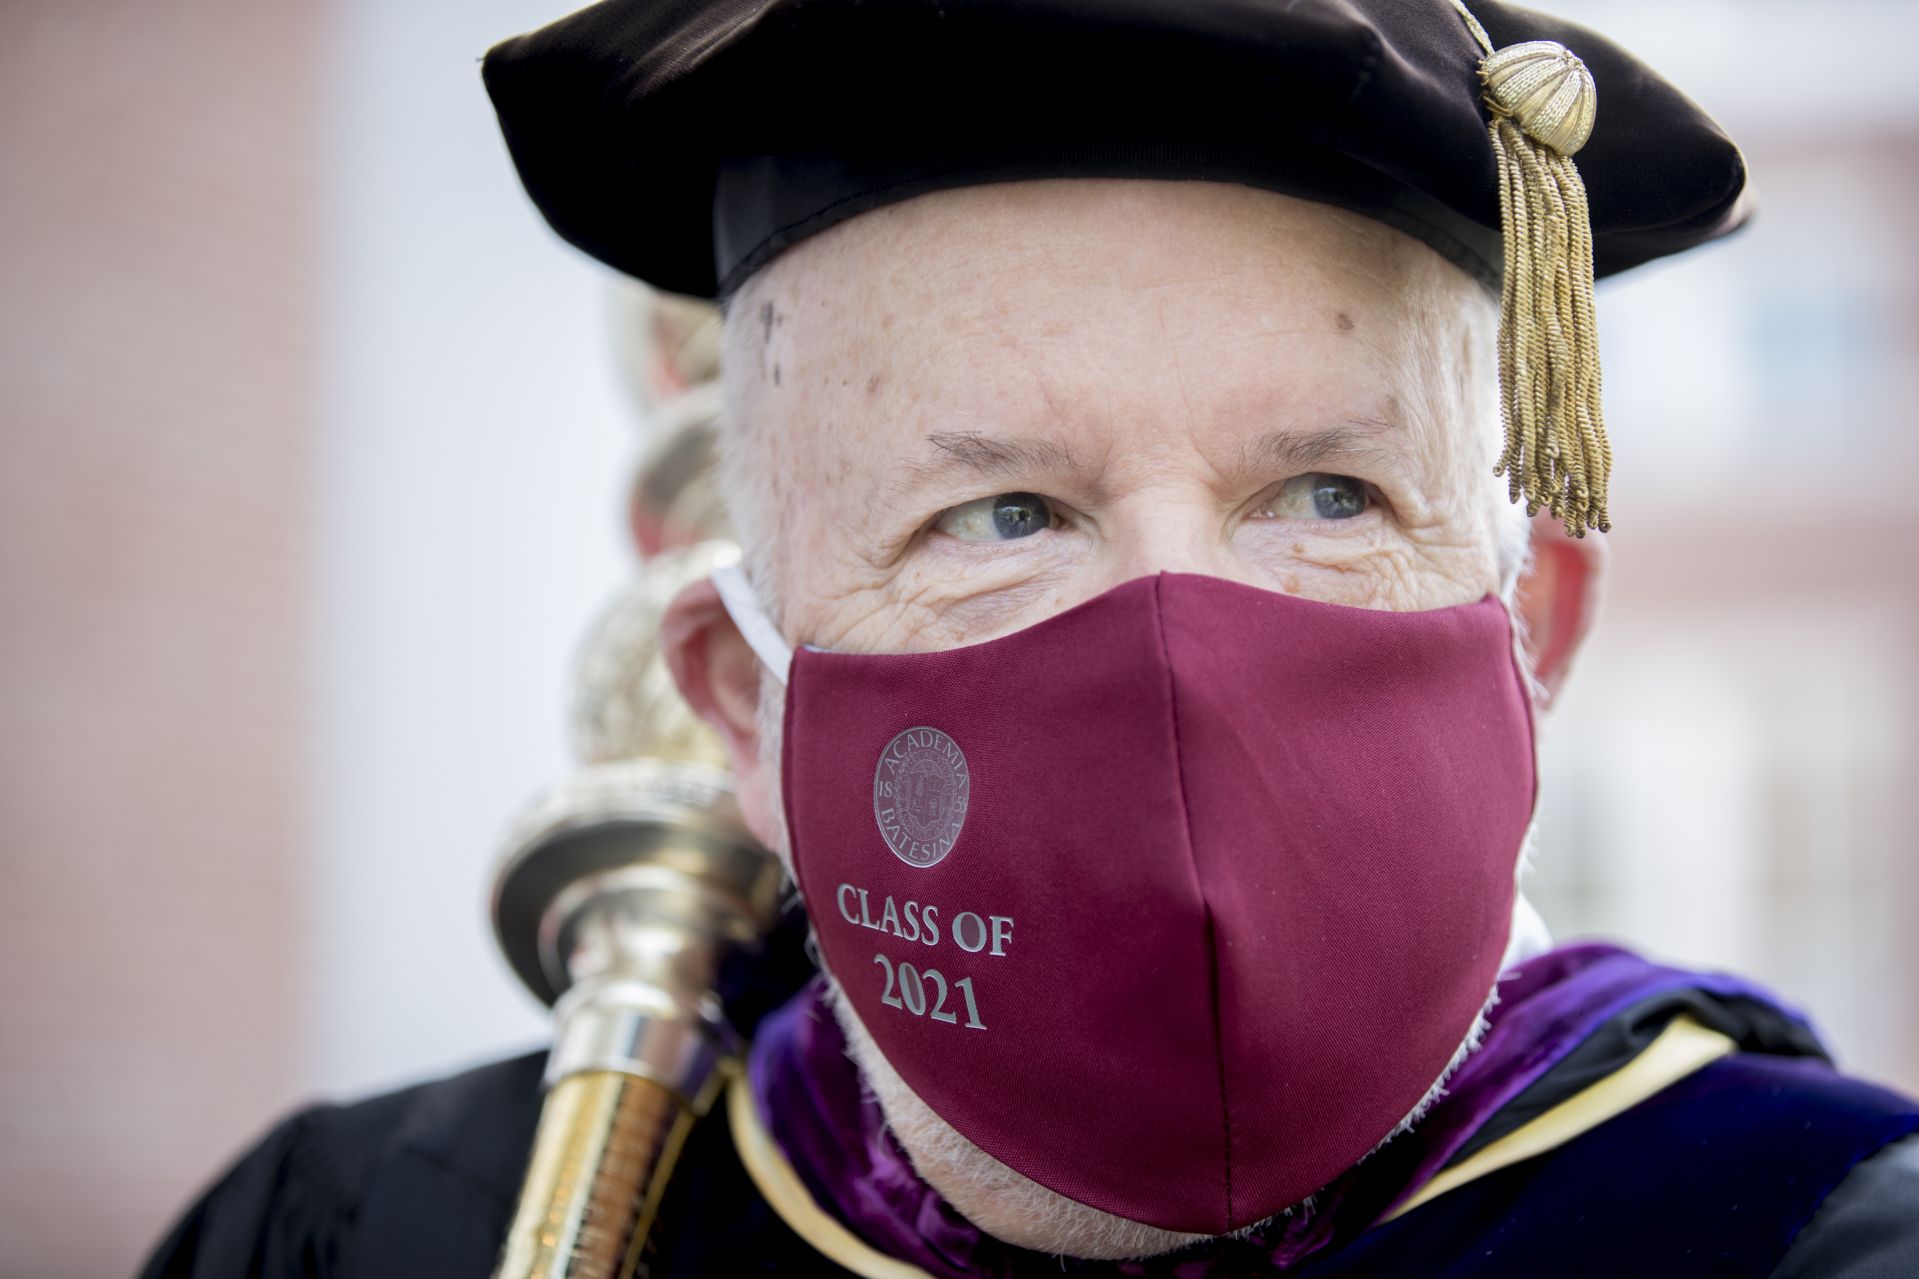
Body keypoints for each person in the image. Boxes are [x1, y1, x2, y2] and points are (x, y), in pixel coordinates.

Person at [141, 1, 1919, 1275]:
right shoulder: (376, 1232)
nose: (1176, 659)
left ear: (1529, 621)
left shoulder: (1818, 1233)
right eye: (1002, 518)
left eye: (1327, 495)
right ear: (747, 703)